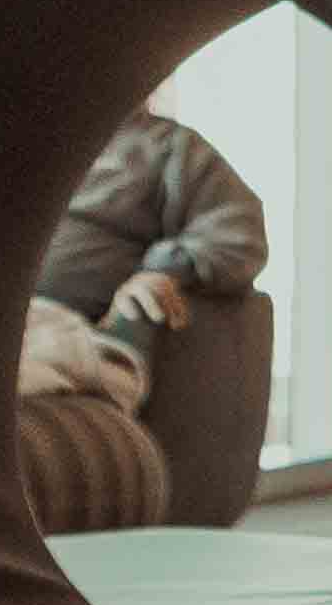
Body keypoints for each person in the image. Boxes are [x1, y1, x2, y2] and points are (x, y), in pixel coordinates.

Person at [13, 107, 263, 536]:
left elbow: (239, 233)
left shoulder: (166, 148)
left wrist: (163, 270)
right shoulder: (13, 139)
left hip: (69, 323)